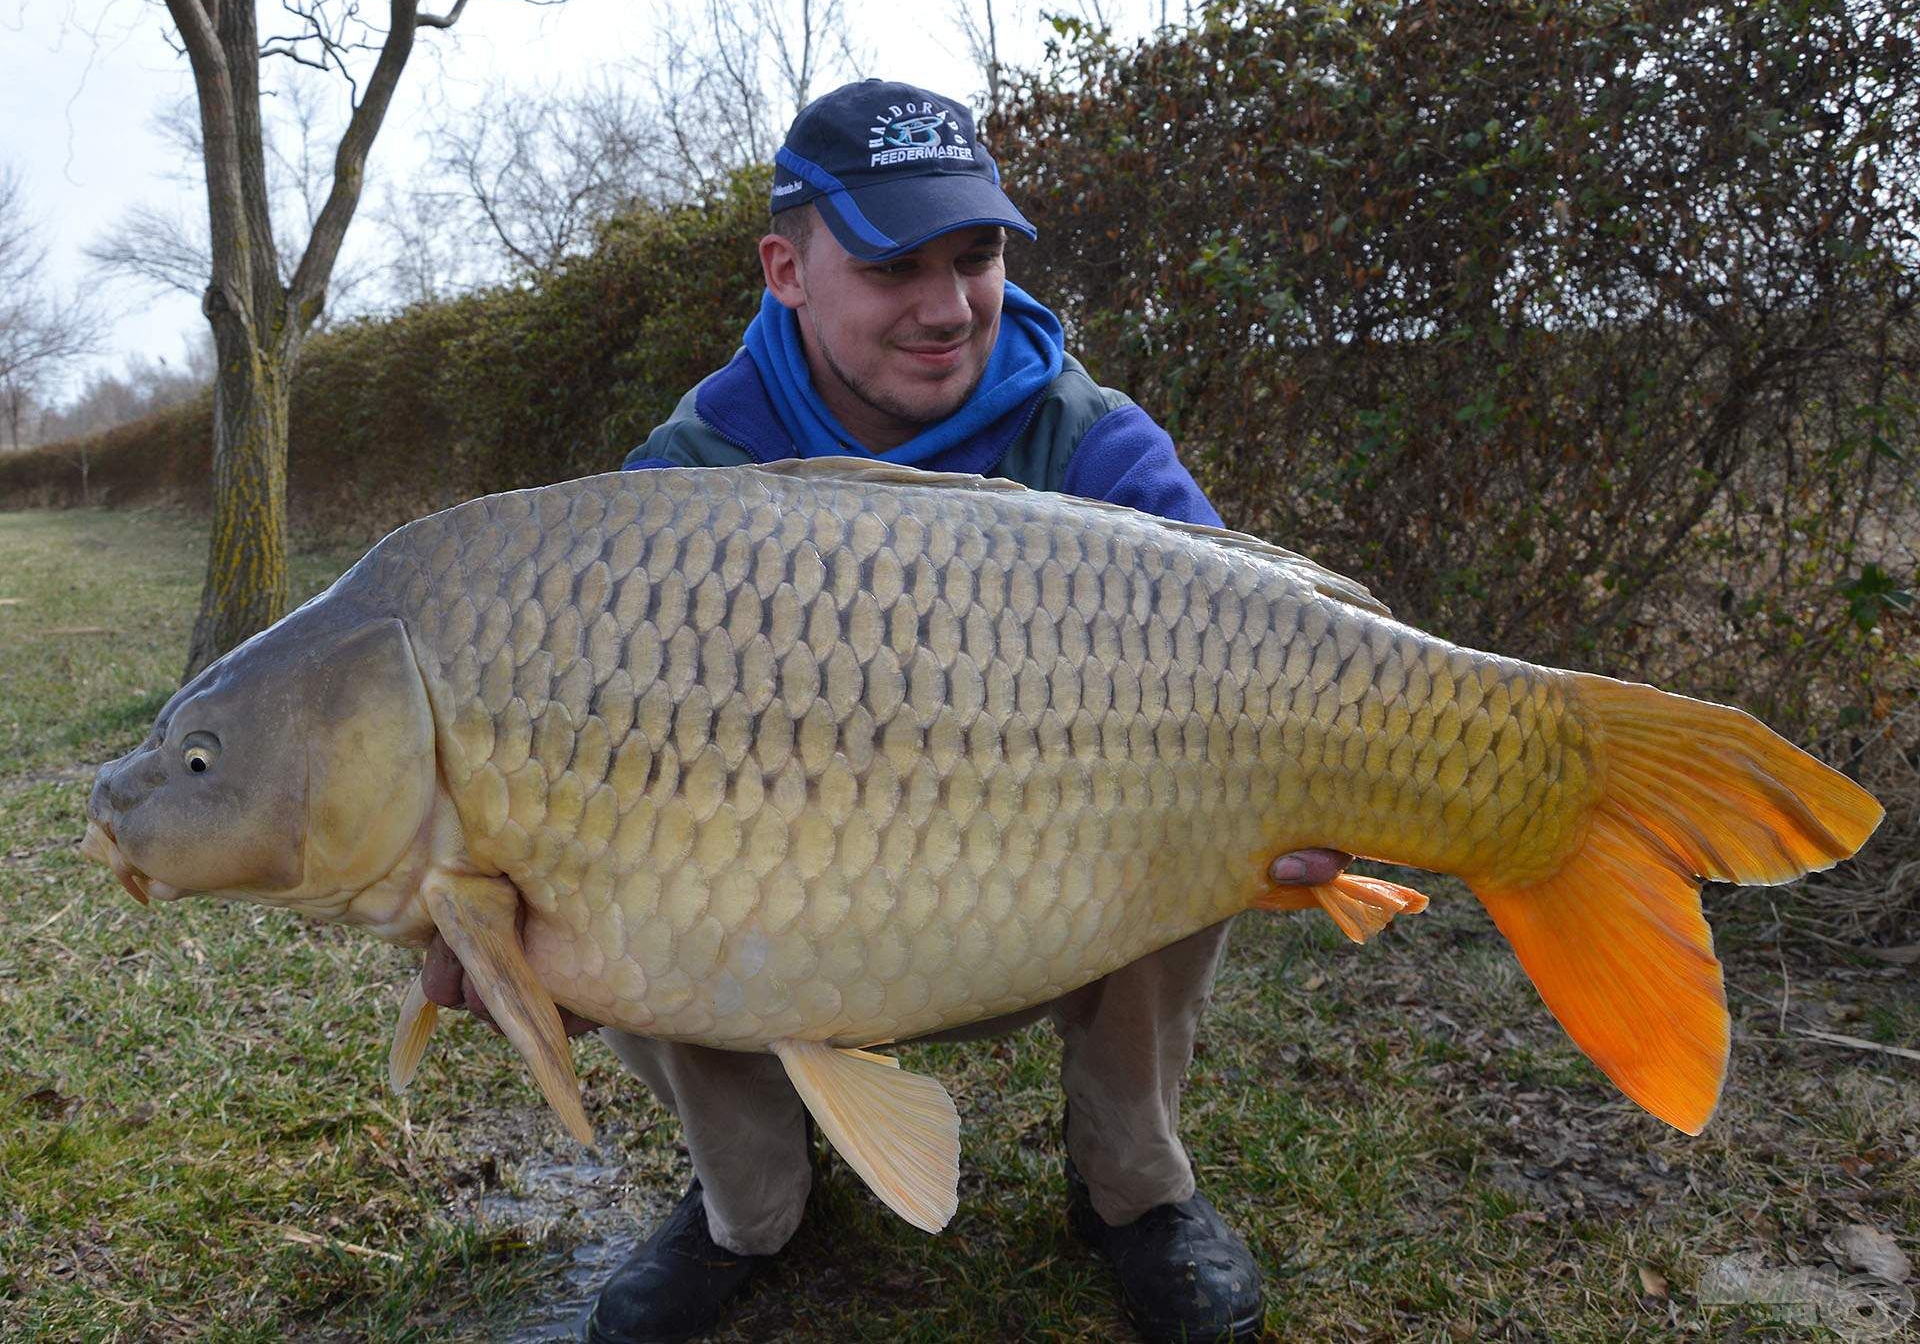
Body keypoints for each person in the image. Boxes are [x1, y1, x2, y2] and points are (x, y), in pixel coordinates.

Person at [424, 78, 1351, 1344]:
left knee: (1187, 768)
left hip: (1043, 898)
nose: (948, 304)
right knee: (612, 863)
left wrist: (1304, 796)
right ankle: (753, 1202)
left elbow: (1263, 657)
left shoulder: (1091, 443)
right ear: (787, 267)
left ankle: (1132, 1188)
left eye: (976, 257)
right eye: (894, 263)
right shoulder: (686, 478)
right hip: (787, 914)